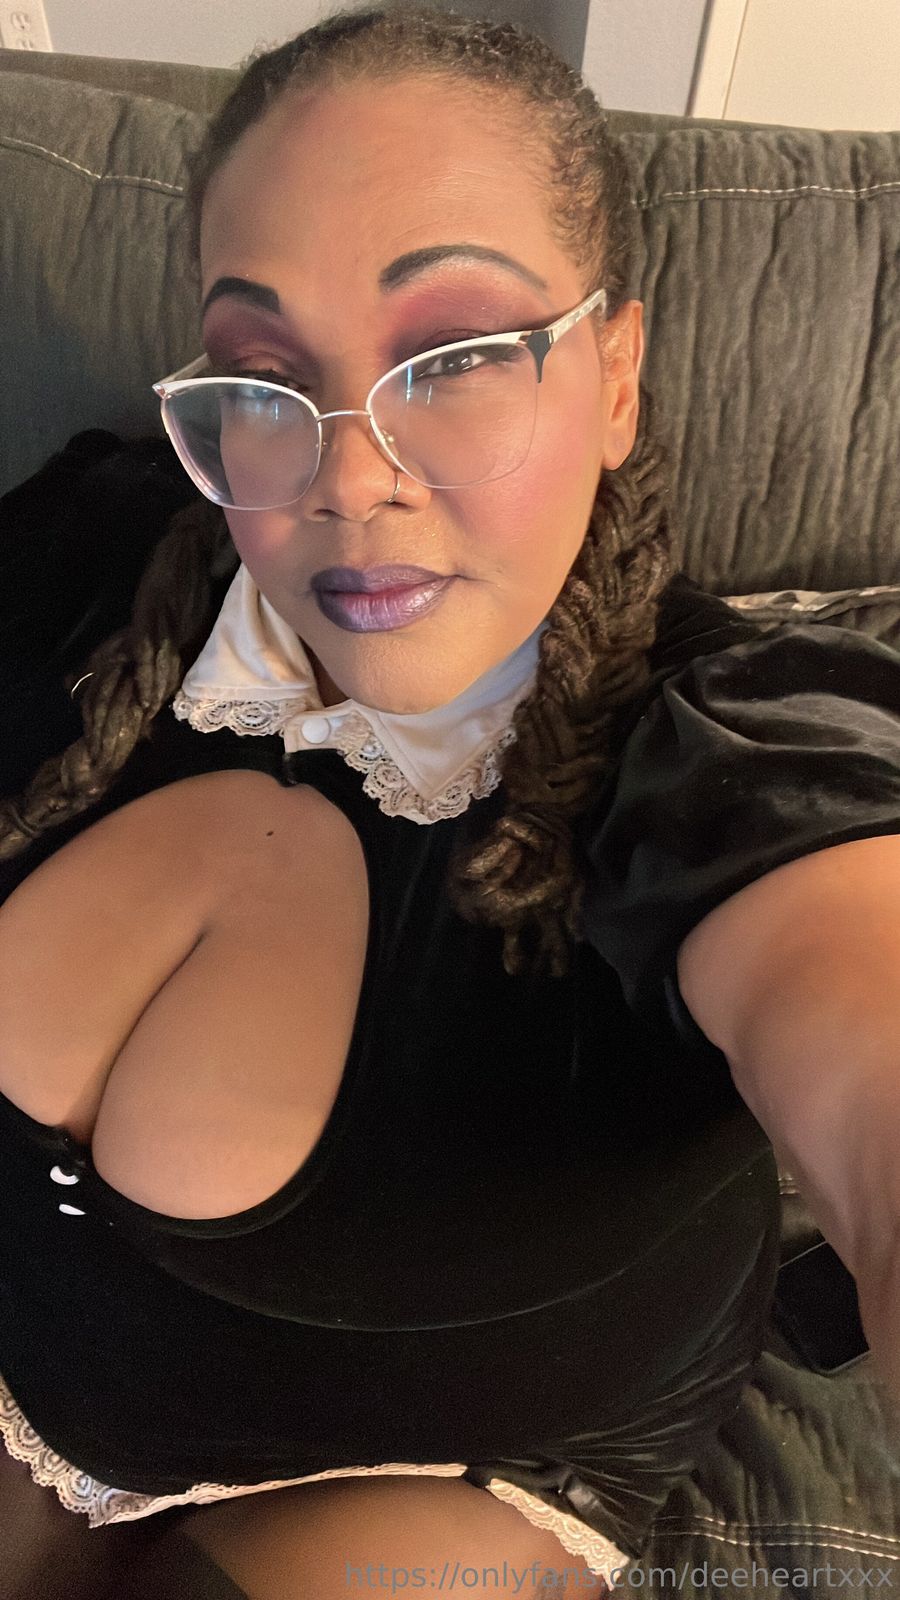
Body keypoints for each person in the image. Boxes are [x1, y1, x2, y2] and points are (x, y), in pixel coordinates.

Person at [0, 5, 898, 1597]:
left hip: (442, 1466)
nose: (350, 477)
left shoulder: (731, 738)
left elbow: (858, 1006)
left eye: (459, 358)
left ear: (615, 378)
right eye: (264, 374)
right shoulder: (101, 540)